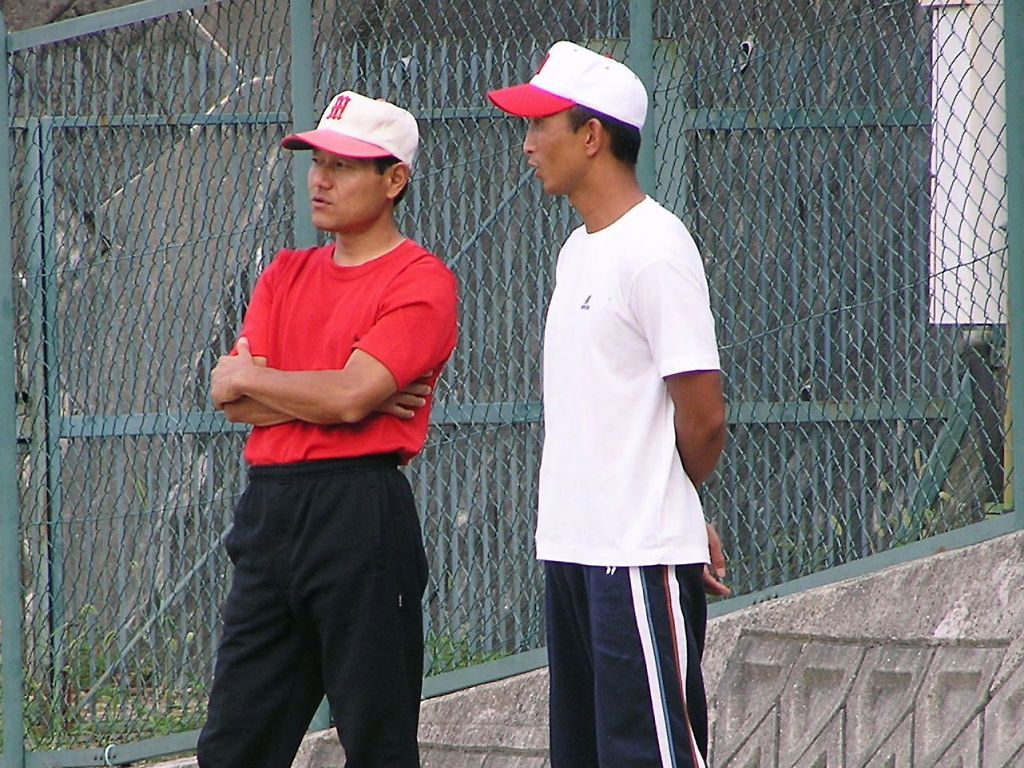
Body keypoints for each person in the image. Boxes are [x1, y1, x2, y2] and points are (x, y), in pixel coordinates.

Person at [197, 90, 458, 768]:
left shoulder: (420, 280)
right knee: (232, 746)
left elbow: (345, 397)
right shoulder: (285, 273)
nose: (320, 179)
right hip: (269, 511)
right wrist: (343, 394)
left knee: (377, 741)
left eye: (343, 165)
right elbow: (231, 397)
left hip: (359, 511)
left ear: (394, 179)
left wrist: (308, 389)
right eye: (317, 163)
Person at [488, 41, 728, 768]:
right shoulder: (577, 251)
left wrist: (666, 510)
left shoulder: (656, 247)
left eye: (541, 124)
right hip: (572, 550)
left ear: (591, 135)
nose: (528, 144)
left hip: (635, 559)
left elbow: (704, 416)